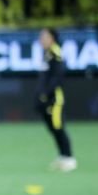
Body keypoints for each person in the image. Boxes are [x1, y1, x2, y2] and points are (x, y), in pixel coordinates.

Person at [37, 27, 76, 172]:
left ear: (52, 38)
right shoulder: (46, 53)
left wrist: (47, 94)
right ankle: (62, 156)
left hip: (55, 99)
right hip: (46, 98)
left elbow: (58, 78)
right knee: (53, 129)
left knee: (59, 127)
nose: (41, 39)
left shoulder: (56, 53)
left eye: (44, 36)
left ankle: (69, 158)